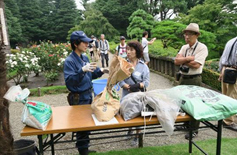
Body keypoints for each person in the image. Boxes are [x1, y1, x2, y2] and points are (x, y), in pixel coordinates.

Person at [64, 31, 109, 155]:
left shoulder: (84, 57)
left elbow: (90, 74)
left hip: (88, 95)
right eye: (84, 42)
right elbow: (70, 83)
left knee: (88, 124)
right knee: (81, 126)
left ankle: (85, 147)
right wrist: (81, 71)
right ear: (75, 43)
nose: (87, 44)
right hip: (79, 97)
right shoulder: (69, 61)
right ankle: (82, 151)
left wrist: (101, 71)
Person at [174, 23, 208, 139]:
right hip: (183, 78)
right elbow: (176, 61)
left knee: (194, 104)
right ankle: (185, 124)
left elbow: (196, 65)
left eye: (189, 34)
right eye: (185, 34)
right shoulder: (184, 47)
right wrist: (188, 58)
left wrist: (182, 60)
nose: (186, 37)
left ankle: (194, 129)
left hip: (194, 79)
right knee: (182, 102)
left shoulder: (202, 47)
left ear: (196, 35)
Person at [118, 41, 150, 146]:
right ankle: (129, 130)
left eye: (131, 50)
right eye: (127, 49)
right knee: (127, 112)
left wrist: (138, 85)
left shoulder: (143, 66)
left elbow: (146, 82)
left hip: (138, 95)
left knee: (138, 114)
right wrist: (125, 85)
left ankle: (137, 135)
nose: (128, 52)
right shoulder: (123, 64)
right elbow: (119, 78)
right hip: (126, 94)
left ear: (137, 52)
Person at [218, 36, 237, 131]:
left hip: (225, 69)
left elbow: (222, 58)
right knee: (233, 97)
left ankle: (225, 118)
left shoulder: (231, 41)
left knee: (225, 96)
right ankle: (229, 121)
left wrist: (221, 71)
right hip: (234, 70)